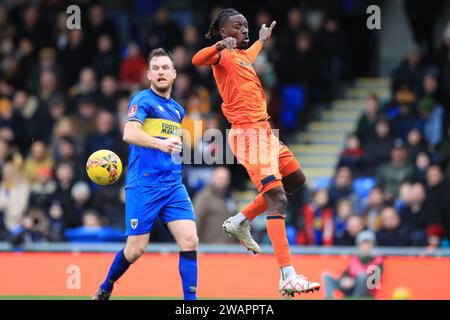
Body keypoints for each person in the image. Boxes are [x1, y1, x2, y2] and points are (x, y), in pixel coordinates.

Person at [192, 8, 319, 296]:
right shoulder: (222, 54)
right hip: (248, 133)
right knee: (277, 198)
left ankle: (239, 220)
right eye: (238, 26)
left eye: (246, 25)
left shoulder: (240, 57)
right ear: (224, 32)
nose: (244, 29)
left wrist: (261, 40)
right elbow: (196, 59)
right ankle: (287, 275)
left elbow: (250, 55)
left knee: (296, 180)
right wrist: (217, 45)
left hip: (264, 132)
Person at [93, 48, 198, 300]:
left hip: (173, 185)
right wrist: (161, 144)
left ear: (174, 74)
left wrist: (175, 149)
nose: (161, 72)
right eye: (156, 68)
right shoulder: (142, 100)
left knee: (190, 240)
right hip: (145, 185)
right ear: (149, 74)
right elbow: (129, 133)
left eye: (165, 68)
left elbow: (171, 144)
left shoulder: (178, 110)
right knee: (135, 250)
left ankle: (191, 304)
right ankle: (106, 286)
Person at [323, 230, 383, 299]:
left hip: (366, 293)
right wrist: (344, 279)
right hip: (350, 288)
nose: (365, 246)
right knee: (326, 276)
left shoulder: (378, 260)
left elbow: (373, 282)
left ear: (373, 245)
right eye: (363, 244)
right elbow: (346, 272)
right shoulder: (354, 259)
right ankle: (330, 298)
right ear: (358, 246)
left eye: (368, 244)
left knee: (362, 276)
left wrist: (354, 281)